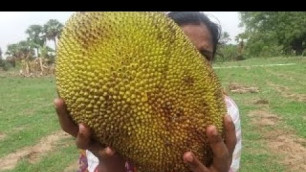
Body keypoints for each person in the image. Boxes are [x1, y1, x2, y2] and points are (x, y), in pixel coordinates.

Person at [54, 12, 241, 172]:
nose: (189, 65)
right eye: (183, 50)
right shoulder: (117, 107)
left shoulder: (226, 113)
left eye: (204, 56)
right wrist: (111, 162)